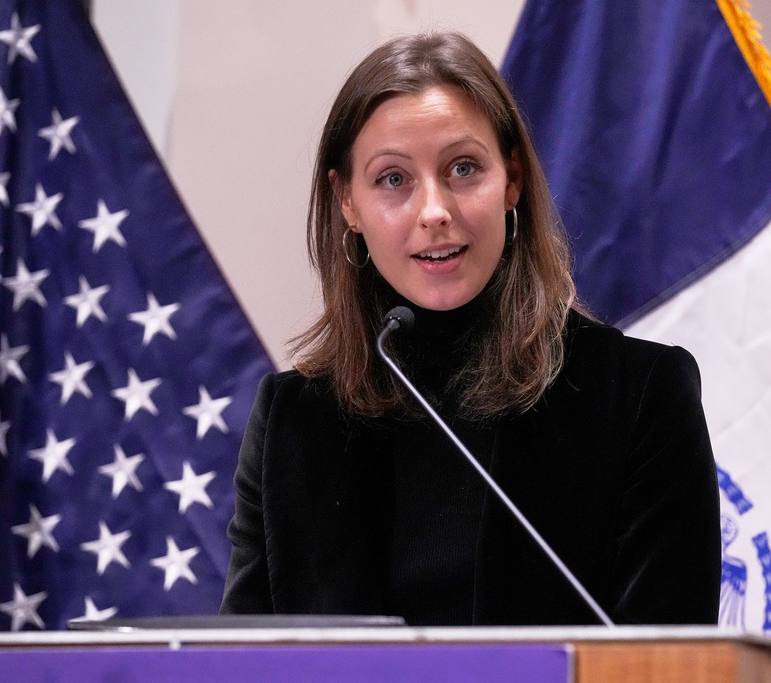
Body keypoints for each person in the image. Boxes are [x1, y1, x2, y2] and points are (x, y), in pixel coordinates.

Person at [220, 31, 720, 626]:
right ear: (346, 202)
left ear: (511, 179)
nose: (434, 211)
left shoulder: (640, 396)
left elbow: (671, 663)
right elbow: (242, 659)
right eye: (393, 179)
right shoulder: (292, 421)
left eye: (463, 169)